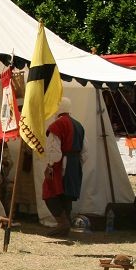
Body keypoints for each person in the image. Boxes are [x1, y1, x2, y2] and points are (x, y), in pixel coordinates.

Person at [42, 96, 85, 237]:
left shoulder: (57, 125)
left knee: (49, 191)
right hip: (75, 163)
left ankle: (63, 223)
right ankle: (65, 226)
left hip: (62, 163)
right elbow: (85, 152)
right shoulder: (79, 125)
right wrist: (76, 164)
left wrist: (50, 165)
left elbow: (54, 151)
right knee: (67, 193)